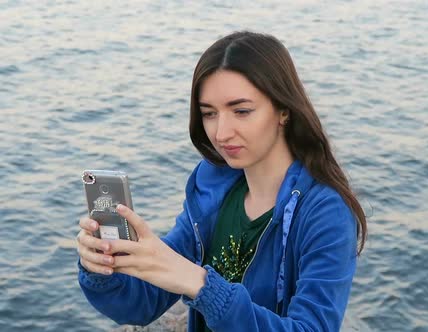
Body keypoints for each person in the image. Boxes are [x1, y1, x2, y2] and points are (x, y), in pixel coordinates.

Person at [76, 31, 367, 331]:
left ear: (283, 110)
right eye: (209, 113)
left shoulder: (325, 212)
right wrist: (102, 268)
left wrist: (200, 284)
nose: (221, 132)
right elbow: (140, 303)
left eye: (241, 111)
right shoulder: (214, 190)